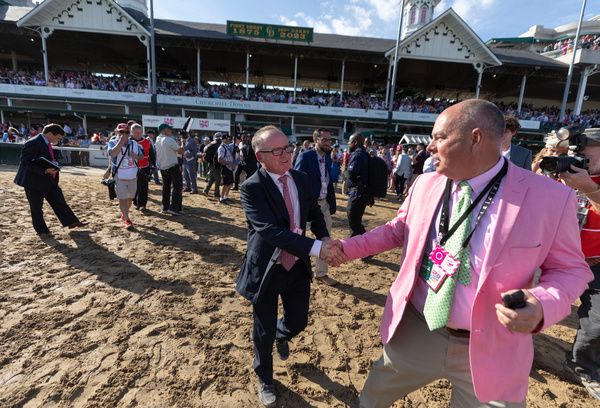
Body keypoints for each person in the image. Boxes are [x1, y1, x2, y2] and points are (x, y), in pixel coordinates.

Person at [332, 99, 593, 407]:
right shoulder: (425, 184)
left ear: (475, 138)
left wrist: (542, 305)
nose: (429, 147)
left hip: (493, 344)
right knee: (373, 398)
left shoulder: (550, 198)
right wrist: (344, 249)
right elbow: (396, 230)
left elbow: (571, 270)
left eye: (439, 137)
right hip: (419, 329)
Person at [236, 125, 344, 407]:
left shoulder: (301, 178)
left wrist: (325, 237)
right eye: (278, 150)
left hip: (297, 265)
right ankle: (265, 378)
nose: (286, 154)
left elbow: (314, 213)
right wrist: (318, 249)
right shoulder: (252, 188)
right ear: (261, 156)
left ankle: (283, 336)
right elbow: (270, 231)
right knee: (263, 330)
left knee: (298, 320)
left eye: (288, 147)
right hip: (266, 268)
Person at [559, 127, 600, 400]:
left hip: (596, 261)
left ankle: (582, 365)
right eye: (579, 147)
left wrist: (589, 188)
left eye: (589, 146)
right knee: (519, 301)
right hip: (555, 258)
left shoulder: (585, 181)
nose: (581, 151)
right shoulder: (562, 173)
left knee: (598, 321)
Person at [14, 123, 87, 238]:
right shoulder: (33, 142)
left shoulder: (45, 142)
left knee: (59, 201)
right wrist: (44, 170)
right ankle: (42, 231)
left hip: (48, 179)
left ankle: (71, 222)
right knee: (36, 207)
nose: (58, 140)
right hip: (33, 181)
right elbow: (25, 162)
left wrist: (54, 164)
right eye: (57, 138)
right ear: (49, 134)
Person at [295, 128, 338, 286]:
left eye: (329, 140)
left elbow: (327, 180)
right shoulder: (305, 156)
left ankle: (321, 273)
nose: (328, 143)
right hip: (307, 205)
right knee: (299, 236)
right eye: (325, 140)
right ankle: (298, 270)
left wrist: (330, 202)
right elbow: (297, 179)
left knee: (326, 236)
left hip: (323, 203)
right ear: (316, 140)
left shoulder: (327, 157)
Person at [107, 123, 142, 230]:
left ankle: (124, 213)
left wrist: (135, 156)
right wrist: (121, 142)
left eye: (126, 132)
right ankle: (127, 219)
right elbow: (112, 154)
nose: (124, 134)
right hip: (119, 176)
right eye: (121, 132)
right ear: (117, 132)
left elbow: (141, 156)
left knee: (130, 198)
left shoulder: (134, 144)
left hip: (133, 175)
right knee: (122, 198)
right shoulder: (113, 142)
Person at [346, 133, 371, 240]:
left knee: (354, 222)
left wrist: (345, 172)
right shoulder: (365, 154)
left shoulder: (357, 154)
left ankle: (367, 246)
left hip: (357, 193)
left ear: (355, 142)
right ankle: (357, 245)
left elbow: (351, 173)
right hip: (363, 192)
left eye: (349, 141)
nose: (348, 144)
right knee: (356, 222)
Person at [155, 123, 184, 215]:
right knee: (177, 187)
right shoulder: (169, 140)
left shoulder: (157, 139)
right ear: (165, 130)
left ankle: (165, 207)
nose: (171, 131)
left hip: (163, 167)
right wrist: (183, 140)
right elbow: (181, 151)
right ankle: (174, 208)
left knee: (166, 188)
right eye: (169, 129)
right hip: (172, 167)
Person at [132, 124, 156, 211]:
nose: (138, 134)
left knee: (143, 187)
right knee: (134, 186)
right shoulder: (128, 141)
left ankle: (142, 204)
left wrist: (153, 165)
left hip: (144, 167)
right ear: (132, 132)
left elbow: (152, 154)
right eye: (135, 132)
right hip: (131, 168)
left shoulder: (147, 142)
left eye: (139, 132)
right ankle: (135, 202)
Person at [217, 134, 236, 204]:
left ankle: (226, 196)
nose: (229, 140)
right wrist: (229, 163)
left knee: (230, 183)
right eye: (228, 139)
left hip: (229, 168)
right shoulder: (221, 148)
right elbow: (220, 159)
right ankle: (221, 198)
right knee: (226, 184)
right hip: (225, 167)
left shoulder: (227, 146)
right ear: (224, 139)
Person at [203, 133, 222, 198]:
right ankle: (216, 194)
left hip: (211, 164)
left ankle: (206, 190)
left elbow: (205, 152)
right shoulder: (217, 144)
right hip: (215, 164)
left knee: (212, 178)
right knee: (218, 179)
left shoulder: (210, 144)